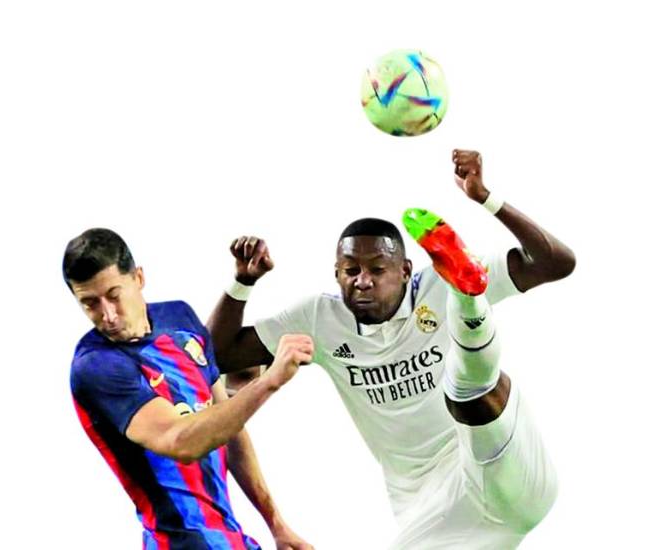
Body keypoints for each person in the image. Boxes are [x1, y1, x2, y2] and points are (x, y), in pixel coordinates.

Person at [207, 150, 576, 549]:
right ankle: (468, 304)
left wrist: (487, 198)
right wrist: (242, 282)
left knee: (470, 391)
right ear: (336, 274)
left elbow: (555, 262)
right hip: (432, 513)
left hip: (507, 468)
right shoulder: (319, 318)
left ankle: (468, 297)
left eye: (377, 269)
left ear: (404, 271)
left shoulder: (432, 285)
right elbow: (214, 356)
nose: (363, 281)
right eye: (351, 270)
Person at [63, 228, 314, 550]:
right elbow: (180, 441)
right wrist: (269, 381)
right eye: (90, 304)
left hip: (228, 537)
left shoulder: (179, 318)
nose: (108, 315)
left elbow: (230, 428)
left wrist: (276, 524)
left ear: (138, 278)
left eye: (114, 295)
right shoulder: (97, 366)